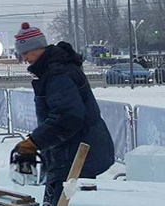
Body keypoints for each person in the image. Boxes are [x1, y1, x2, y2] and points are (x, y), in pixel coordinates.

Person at [12, 23, 113, 206]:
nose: (24, 57)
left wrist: (34, 142)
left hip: (76, 156)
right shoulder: (54, 70)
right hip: (71, 153)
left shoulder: (58, 74)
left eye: (26, 52)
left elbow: (68, 117)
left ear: (37, 47)